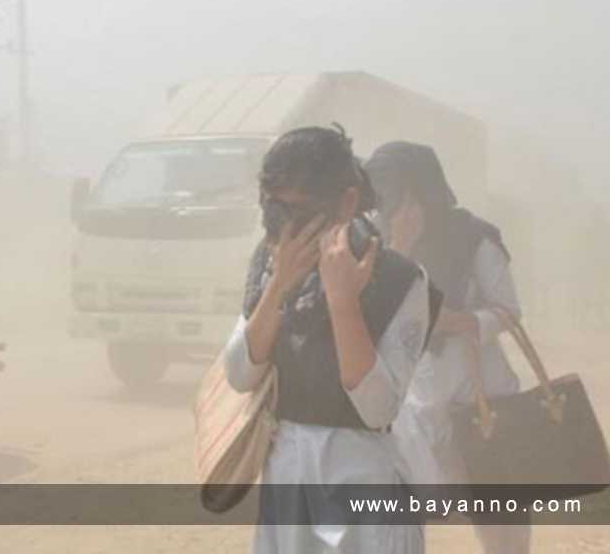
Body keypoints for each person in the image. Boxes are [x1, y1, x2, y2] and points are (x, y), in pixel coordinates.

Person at [224, 126, 438, 553]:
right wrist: (279, 285)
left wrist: (344, 304)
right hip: (288, 478)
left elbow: (376, 407)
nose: (286, 227)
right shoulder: (271, 265)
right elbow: (240, 374)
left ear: (347, 203)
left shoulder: (400, 280)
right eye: (275, 209)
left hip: (361, 484)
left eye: (301, 211)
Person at [364, 141, 530, 553]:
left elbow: (509, 311)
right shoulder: (376, 245)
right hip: (416, 404)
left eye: (400, 191)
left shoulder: (474, 238)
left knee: (499, 516)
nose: (392, 204)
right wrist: (399, 246)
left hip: (482, 398)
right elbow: (372, 316)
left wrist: (460, 322)